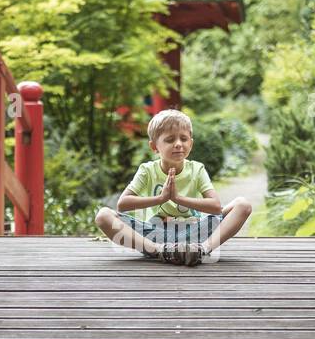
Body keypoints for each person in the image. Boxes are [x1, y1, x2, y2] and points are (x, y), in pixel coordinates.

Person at [95, 109, 252, 266]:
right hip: (155, 235)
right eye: (170, 140)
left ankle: (201, 250)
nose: (178, 144)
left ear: (191, 143)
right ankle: (161, 251)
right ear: (154, 146)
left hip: (194, 233)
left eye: (184, 139)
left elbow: (216, 207)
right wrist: (161, 198)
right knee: (103, 216)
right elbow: (122, 205)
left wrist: (178, 198)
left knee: (242, 205)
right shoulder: (147, 170)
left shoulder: (197, 169)